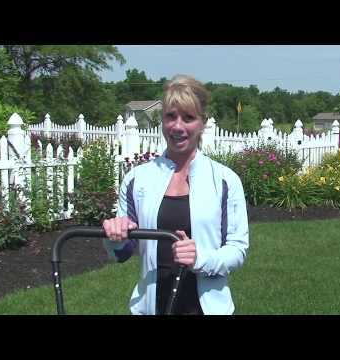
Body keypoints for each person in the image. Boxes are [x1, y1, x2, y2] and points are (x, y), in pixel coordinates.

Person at [102, 75, 249, 315]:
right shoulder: (137, 179)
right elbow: (123, 253)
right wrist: (115, 236)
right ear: (162, 120)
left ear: (202, 123)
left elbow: (237, 250)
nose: (178, 126)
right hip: (151, 308)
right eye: (171, 116)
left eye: (188, 118)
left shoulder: (225, 180)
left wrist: (199, 258)